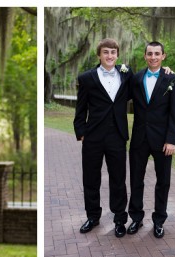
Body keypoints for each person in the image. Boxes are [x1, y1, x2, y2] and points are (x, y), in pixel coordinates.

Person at [73, 38, 132, 237]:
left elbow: (147, 80)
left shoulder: (126, 74)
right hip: (93, 136)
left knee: (118, 179)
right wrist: (81, 132)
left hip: (117, 135)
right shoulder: (87, 78)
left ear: (117, 55)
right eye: (105, 52)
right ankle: (93, 217)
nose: (109, 56)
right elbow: (80, 108)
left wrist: (166, 70)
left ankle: (119, 220)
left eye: (113, 52)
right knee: (91, 178)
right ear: (99, 55)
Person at [127, 41, 175, 238]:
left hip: (163, 141)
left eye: (157, 54)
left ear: (163, 56)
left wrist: (171, 140)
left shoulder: (172, 79)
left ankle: (159, 221)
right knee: (135, 180)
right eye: (150, 54)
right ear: (145, 56)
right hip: (139, 138)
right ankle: (136, 218)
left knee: (163, 181)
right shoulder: (136, 78)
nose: (153, 57)